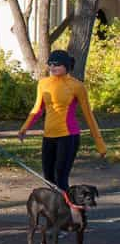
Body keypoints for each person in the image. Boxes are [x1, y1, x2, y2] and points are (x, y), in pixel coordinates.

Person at [18, 50, 106, 192]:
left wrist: (100, 144)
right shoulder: (43, 83)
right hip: (49, 136)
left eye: (56, 65)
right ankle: (55, 209)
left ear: (66, 66)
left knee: (60, 177)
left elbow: (88, 115)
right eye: (50, 64)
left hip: (68, 136)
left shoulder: (77, 86)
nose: (52, 68)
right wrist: (24, 128)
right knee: (48, 177)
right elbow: (37, 108)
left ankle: (67, 209)